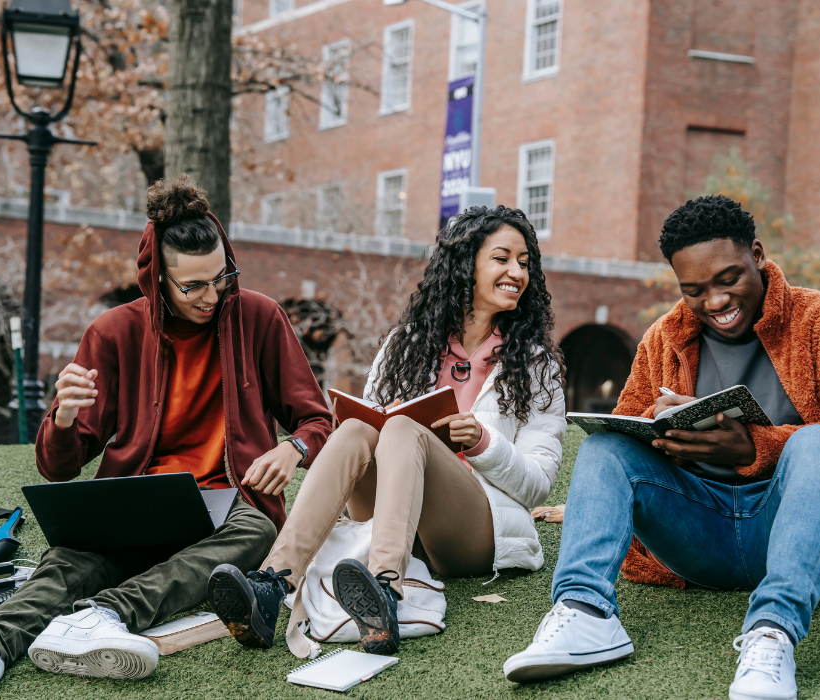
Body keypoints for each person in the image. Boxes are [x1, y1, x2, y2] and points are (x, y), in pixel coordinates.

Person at [0, 175, 333, 698]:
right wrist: (61, 418)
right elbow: (59, 467)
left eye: (222, 277)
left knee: (259, 532)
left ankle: (103, 616)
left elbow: (317, 421)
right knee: (72, 558)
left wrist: (293, 446)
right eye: (193, 286)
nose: (213, 295)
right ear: (158, 280)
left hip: (227, 501)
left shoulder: (259, 317)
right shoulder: (113, 332)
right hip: (138, 497)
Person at [504, 195, 820, 700]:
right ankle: (585, 613)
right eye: (694, 289)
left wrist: (757, 446)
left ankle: (771, 633)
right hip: (700, 535)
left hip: (813, 541)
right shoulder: (665, 337)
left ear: (757, 254)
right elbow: (629, 421)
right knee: (606, 449)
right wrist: (668, 431)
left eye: (728, 279)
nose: (714, 302)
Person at [206, 205, 567, 656]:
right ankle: (272, 584)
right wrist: (381, 416)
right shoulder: (407, 345)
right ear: (466, 264)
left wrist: (482, 442)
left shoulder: (535, 364)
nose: (516, 271)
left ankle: (384, 592)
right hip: (390, 515)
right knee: (360, 427)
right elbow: (370, 430)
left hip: (473, 530)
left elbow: (536, 485)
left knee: (402, 431)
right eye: (502, 258)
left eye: (524, 262)